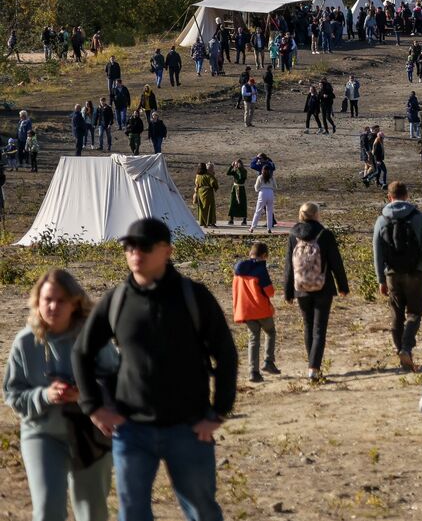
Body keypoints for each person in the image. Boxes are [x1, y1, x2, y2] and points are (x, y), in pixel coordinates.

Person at [73, 218, 238, 521]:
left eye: (144, 246)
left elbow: (226, 355)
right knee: (133, 513)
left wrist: (218, 411)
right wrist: (93, 407)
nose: (135, 252)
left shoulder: (194, 296)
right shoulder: (117, 299)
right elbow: (82, 352)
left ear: (167, 251)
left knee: (202, 511)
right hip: (131, 429)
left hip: (189, 428)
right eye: (129, 246)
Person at [5, 270, 116, 521]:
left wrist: (84, 393)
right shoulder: (25, 342)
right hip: (42, 433)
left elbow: (118, 384)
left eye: (61, 300)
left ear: (75, 302)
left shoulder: (94, 338)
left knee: (92, 511)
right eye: (47, 300)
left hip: (91, 433)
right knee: (47, 511)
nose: (53, 306)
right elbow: (12, 394)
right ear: (37, 302)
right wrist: (45, 395)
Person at [373, 182, 422, 371]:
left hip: (392, 274)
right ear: (407, 196)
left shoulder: (381, 220)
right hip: (415, 273)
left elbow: (377, 253)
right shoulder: (419, 217)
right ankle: (406, 348)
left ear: (389, 197)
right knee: (415, 313)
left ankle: (401, 352)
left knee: (396, 314)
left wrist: (380, 279)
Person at [284, 202, 349, 382]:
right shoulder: (325, 234)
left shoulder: (293, 235)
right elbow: (336, 262)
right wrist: (343, 286)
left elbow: (289, 266)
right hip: (323, 288)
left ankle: (311, 365)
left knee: (308, 326)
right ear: (317, 215)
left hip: (301, 289)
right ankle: (314, 368)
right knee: (319, 329)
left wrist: (288, 291)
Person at [231, 242, 279, 382]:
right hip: (261, 309)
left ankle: (253, 372)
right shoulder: (260, 269)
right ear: (264, 255)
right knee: (270, 332)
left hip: (245, 310)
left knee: (253, 339)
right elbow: (270, 292)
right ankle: (268, 362)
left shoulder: (238, 270)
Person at [192, 163, 219, 228]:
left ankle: (202, 222)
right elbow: (213, 183)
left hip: (200, 193)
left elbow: (196, 184)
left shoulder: (198, 176)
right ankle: (210, 222)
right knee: (210, 208)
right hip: (208, 193)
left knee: (202, 208)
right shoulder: (208, 176)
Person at [252, 165, 276, 232]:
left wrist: (259, 189)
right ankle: (269, 228)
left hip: (262, 192)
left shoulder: (260, 177)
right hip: (270, 192)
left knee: (258, 210)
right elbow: (275, 186)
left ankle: (252, 227)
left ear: (262, 170)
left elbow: (256, 188)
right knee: (269, 211)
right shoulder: (271, 177)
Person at [226, 160, 248, 226]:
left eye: (237, 164)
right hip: (235, 188)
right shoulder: (235, 170)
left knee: (243, 203)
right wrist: (231, 166)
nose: (236, 165)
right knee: (233, 203)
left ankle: (244, 220)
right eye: (235, 164)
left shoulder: (244, 171)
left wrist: (239, 169)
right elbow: (228, 173)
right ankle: (231, 219)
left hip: (241, 188)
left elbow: (241, 177)